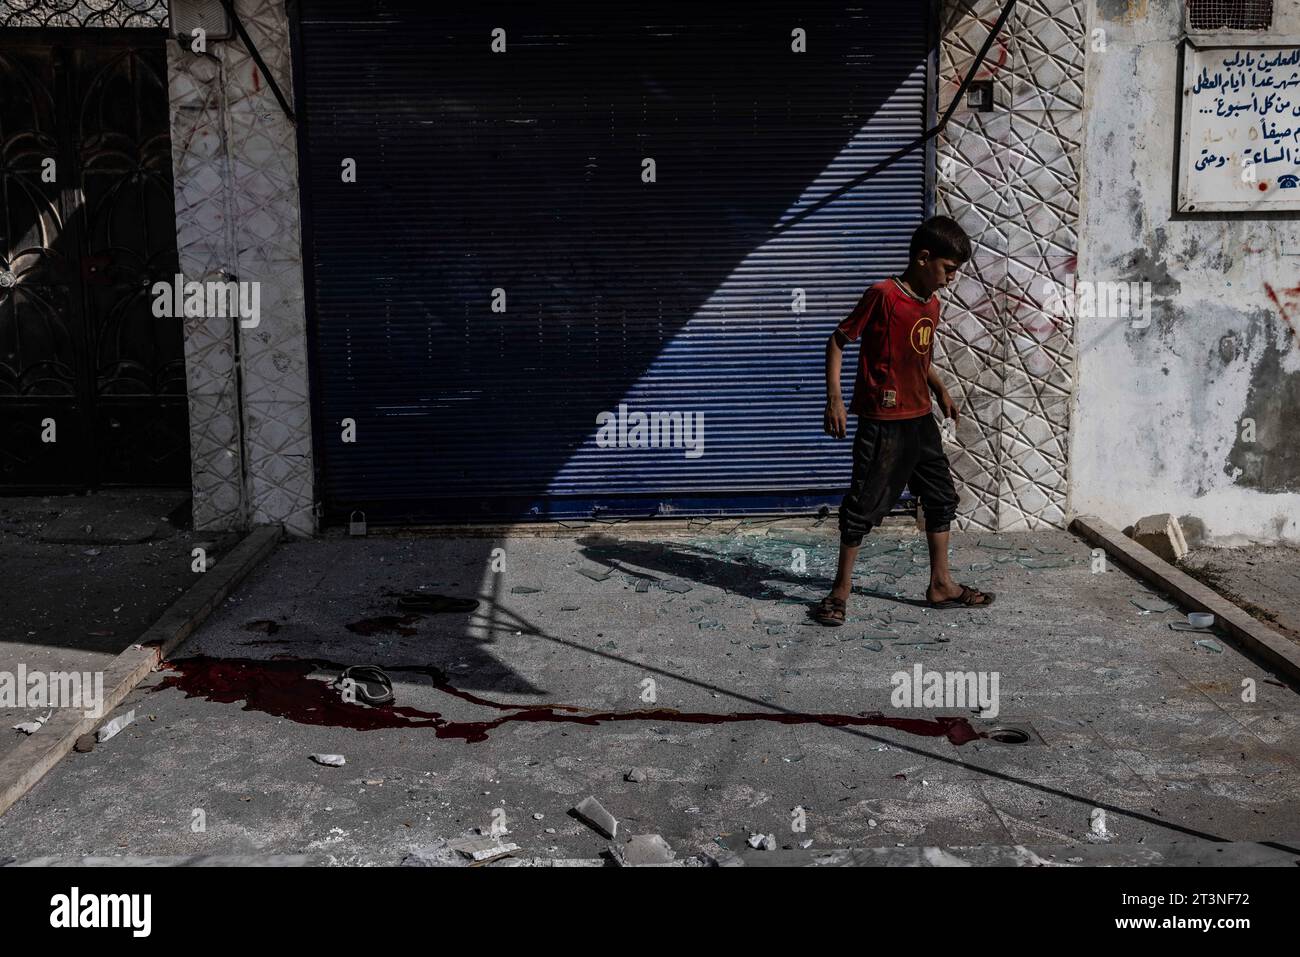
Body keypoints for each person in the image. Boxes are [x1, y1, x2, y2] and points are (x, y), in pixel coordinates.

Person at [813, 215, 994, 626]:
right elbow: (838, 342)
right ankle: (839, 593)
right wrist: (836, 399)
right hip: (883, 422)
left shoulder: (932, 303)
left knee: (941, 497)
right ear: (923, 258)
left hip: (920, 421)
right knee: (863, 506)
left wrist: (941, 388)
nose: (950, 279)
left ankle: (941, 584)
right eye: (948, 269)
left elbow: (920, 356)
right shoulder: (882, 295)